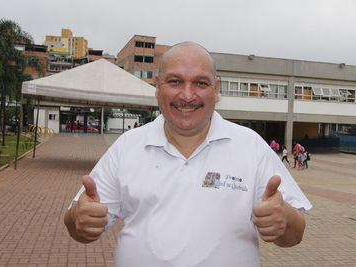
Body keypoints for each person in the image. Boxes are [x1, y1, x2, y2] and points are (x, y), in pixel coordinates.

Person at [64, 42, 312, 267]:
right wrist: (79, 219)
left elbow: (295, 234)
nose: (187, 95)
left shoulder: (250, 146)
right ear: (157, 86)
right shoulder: (128, 145)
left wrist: (284, 220)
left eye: (200, 83)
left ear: (216, 89)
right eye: (175, 82)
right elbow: (77, 224)